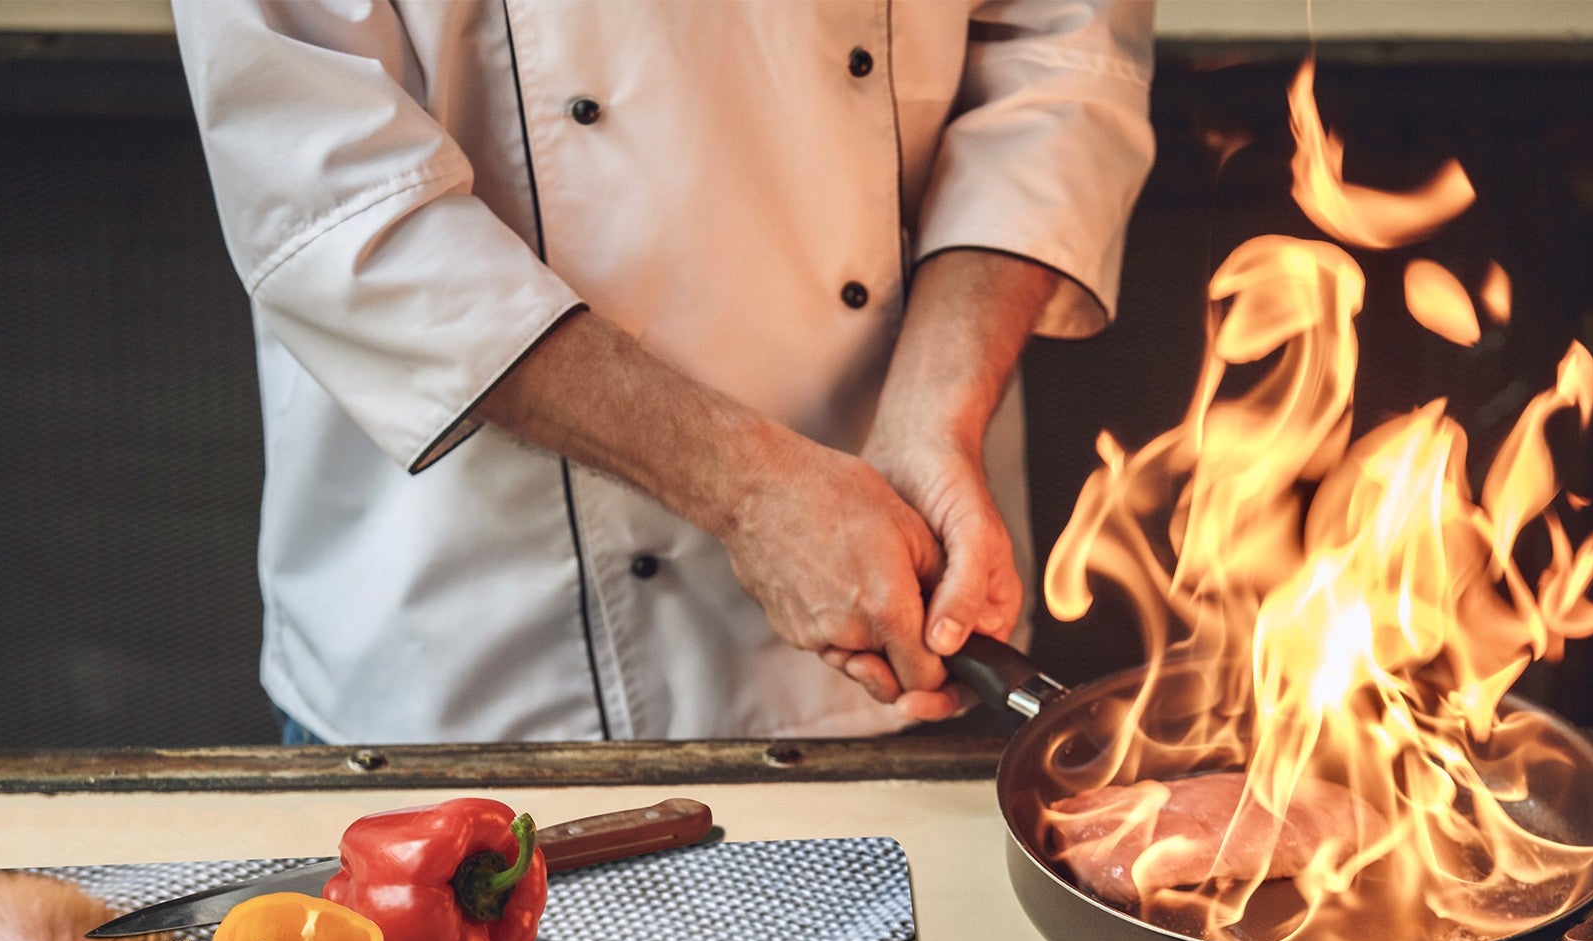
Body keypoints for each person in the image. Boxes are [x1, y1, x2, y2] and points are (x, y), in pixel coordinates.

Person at [172, 0, 1155, 743]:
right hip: (485, 644)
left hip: (910, 575)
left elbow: (1059, 59)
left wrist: (935, 417)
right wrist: (747, 490)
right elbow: (334, 198)